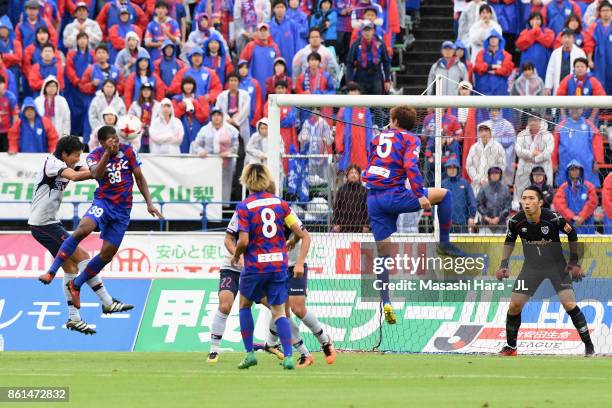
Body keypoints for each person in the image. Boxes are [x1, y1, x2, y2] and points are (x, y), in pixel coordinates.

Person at [363, 106, 466, 325]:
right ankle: (445, 244)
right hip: (396, 196)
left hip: (373, 199)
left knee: (383, 254)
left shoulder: (378, 137)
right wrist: (419, 194)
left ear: (393, 120)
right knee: (445, 195)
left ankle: (385, 302)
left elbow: (371, 160)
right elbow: (411, 164)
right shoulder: (411, 138)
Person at [42, 125, 163, 309]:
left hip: (122, 211)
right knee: (83, 229)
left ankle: (76, 284)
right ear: (102, 143)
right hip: (103, 202)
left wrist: (149, 203)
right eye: (111, 140)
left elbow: (139, 177)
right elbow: (96, 174)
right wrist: (107, 154)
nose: (115, 143)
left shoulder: (129, 151)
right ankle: (51, 271)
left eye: (116, 139)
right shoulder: (95, 156)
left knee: (107, 254)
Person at [32, 136, 133, 334]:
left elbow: (86, 171)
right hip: (42, 225)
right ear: (64, 154)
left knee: (70, 268)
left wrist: (105, 171)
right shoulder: (52, 163)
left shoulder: (67, 164)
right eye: (76, 155)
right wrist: (99, 173)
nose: (78, 159)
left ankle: (74, 319)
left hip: (50, 223)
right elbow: (78, 177)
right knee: (84, 258)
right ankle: (107, 301)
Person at [496, 185, 594, 356]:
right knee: (514, 305)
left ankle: (589, 347)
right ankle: (511, 347)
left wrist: (574, 262)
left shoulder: (553, 218)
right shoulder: (515, 222)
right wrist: (504, 264)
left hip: (556, 266)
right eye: (524, 198)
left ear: (540, 202)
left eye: (531, 198)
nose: (527, 202)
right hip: (531, 266)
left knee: (569, 304)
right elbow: (509, 241)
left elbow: (572, 234)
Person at [231, 163, 310, 370]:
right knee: (279, 312)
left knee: (244, 306)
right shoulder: (281, 204)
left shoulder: (244, 207)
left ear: (246, 179)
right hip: (278, 265)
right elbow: (301, 233)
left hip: (255, 266)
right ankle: (289, 357)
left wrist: (237, 255)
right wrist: (298, 256)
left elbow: (243, 241)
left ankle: (249, 354)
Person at [191, 108, 240, 203]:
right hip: (208, 163)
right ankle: (208, 206)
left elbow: (236, 145)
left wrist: (229, 152)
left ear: (222, 116)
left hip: (226, 163)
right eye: (214, 115)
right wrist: (201, 150)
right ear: (211, 117)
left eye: (219, 115)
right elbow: (196, 144)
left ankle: (224, 207)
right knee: (209, 184)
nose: (216, 117)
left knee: (225, 185)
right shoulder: (205, 129)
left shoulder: (231, 129)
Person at [552, 107, 604, 187]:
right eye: (572, 108)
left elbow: (597, 142)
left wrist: (598, 161)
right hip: (565, 163)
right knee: (565, 189)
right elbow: (554, 146)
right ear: (568, 110)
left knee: (587, 189)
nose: (574, 110)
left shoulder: (589, 124)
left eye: (578, 108)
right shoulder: (561, 126)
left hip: (586, 165)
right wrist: (554, 162)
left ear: (582, 110)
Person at [513, 115, 554, 207]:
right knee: (522, 195)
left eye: (535, 120)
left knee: (543, 196)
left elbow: (548, 152)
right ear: (527, 122)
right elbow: (518, 150)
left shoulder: (548, 135)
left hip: (542, 168)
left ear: (540, 121)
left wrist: (536, 158)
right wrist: (531, 153)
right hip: (525, 168)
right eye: (530, 120)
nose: (532, 123)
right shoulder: (522, 134)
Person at [334, 82, 374, 173]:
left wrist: (369, 146)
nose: (353, 93)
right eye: (350, 91)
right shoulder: (343, 109)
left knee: (361, 173)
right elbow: (339, 129)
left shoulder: (364, 109)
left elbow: (369, 129)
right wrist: (339, 146)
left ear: (359, 93)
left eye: (355, 90)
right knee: (348, 173)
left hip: (361, 147)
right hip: (347, 147)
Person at [346, 22, 391, 96]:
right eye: (365, 30)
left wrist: (387, 80)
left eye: (369, 30)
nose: (367, 33)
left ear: (373, 31)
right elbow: (350, 63)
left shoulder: (380, 44)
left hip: (376, 77)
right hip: (361, 77)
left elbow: (386, 62)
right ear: (361, 31)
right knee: (361, 104)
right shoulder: (356, 44)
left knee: (377, 104)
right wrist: (349, 80)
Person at [553, 161, 598, 234]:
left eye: (576, 169)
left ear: (580, 171)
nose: (574, 171)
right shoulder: (563, 188)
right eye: (572, 169)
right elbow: (559, 204)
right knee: (567, 244)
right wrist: (572, 217)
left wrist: (582, 217)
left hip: (586, 223)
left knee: (587, 244)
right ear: (568, 171)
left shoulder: (589, 186)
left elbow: (593, 202)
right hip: (568, 223)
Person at [556, 57, 606, 122]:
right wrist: (564, 117)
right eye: (577, 66)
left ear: (586, 69)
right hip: (569, 118)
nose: (580, 69)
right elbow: (560, 98)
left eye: (582, 66)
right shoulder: (567, 79)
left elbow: (599, 99)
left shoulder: (593, 80)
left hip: (588, 118)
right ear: (574, 68)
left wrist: (592, 118)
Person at [239, 23, 281, 100]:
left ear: (269, 33)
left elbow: (279, 66)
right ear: (257, 33)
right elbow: (242, 63)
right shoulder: (251, 46)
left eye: (265, 31)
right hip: (254, 84)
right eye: (261, 31)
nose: (263, 33)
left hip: (271, 85)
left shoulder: (274, 47)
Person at [65, 32, 95, 140]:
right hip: (74, 90)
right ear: (77, 41)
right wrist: (78, 82)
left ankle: (86, 140)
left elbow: (95, 70)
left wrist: (87, 84)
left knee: (87, 114)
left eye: (85, 38)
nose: (82, 41)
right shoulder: (71, 54)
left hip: (88, 91)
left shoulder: (92, 54)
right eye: (80, 39)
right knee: (74, 114)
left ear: (88, 41)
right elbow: (69, 69)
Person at [465, 121, 506, 195]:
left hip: (493, 185)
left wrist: (490, 180)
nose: (483, 133)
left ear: (491, 132)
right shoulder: (474, 148)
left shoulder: (498, 147)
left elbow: (502, 165)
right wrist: (478, 180)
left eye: (486, 130)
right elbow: (469, 166)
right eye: (481, 131)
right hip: (476, 185)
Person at [172, 76, 210, 153]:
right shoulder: (176, 99)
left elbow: (205, 116)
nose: (188, 86)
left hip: (197, 129)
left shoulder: (200, 99)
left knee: (197, 153)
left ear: (194, 86)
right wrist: (182, 106)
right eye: (186, 84)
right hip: (181, 130)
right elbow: (173, 116)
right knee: (182, 154)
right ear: (182, 86)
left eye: (190, 84)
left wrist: (195, 104)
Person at [544, 28, 587, 95]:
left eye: (569, 37)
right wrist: (548, 87)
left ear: (573, 39)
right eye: (565, 37)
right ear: (561, 40)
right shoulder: (555, 53)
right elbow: (550, 71)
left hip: (575, 87)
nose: (567, 40)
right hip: (559, 86)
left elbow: (586, 71)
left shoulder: (580, 53)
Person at [473, 30, 514, 96]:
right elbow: (478, 66)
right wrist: (493, 67)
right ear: (488, 40)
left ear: (499, 40)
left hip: (500, 87)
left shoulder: (506, 55)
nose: (493, 40)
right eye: (491, 38)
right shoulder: (481, 53)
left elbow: (506, 69)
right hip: (483, 87)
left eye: (495, 38)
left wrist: (492, 71)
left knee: (501, 105)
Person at [515, 11, 554, 79]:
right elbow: (520, 45)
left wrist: (537, 32)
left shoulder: (548, 31)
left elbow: (548, 43)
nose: (535, 21)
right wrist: (533, 32)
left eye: (537, 19)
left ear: (541, 21)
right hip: (526, 62)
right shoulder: (524, 32)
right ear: (529, 21)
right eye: (532, 19)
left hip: (543, 62)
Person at [441, 158, 476, 233]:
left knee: (462, 244)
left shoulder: (465, 183)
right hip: (445, 224)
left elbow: (472, 201)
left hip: (462, 224)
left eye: (454, 167)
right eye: (449, 168)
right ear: (446, 169)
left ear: (458, 169)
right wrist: (435, 219)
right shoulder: (442, 184)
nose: (452, 170)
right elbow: (435, 203)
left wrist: (471, 216)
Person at [215, 73, 252, 144]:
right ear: (228, 82)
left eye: (235, 80)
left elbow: (246, 110)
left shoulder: (245, 95)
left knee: (243, 145)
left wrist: (236, 120)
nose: (233, 83)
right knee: (227, 144)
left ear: (238, 82)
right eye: (231, 80)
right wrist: (227, 119)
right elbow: (218, 109)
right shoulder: (222, 95)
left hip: (241, 123)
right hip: (226, 122)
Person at [331, 164, 369, 232]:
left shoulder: (364, 191)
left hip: (360, 228)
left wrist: (366, 225)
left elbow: (367, 209)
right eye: (351, 172)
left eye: (356, 173)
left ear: (359, 176)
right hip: (343, 228)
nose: (353, 175)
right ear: (347, 175)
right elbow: (336, 207)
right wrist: (336, 223)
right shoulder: (341, 190)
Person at [476, 166, 512, 233]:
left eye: (496, 173)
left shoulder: (505, 189)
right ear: (489, 175)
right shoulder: (483, 188)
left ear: (500, 174)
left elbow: (508, 207)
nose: (494, 175)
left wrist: (499, 217)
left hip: (501, 225)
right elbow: (478, 204)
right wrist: (486, 217)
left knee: (499, 243)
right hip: (485, 224)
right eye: (492, 173)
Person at [128, 82, 161, 152]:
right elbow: (130, 118)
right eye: (144, 90)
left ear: (151, 92)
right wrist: (138, 124)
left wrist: (151, 127)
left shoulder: (157, 105)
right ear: (141, 92)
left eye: (148, 90)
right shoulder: (135, 105)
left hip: (153, 135)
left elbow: (160, 119)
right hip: (139, 135)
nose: (146, 92)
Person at [0, 75, 18, 152]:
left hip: (7, 132)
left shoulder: (11, 97)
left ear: (4, 84)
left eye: (1, 83)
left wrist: (13, 131)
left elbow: (15, 116)